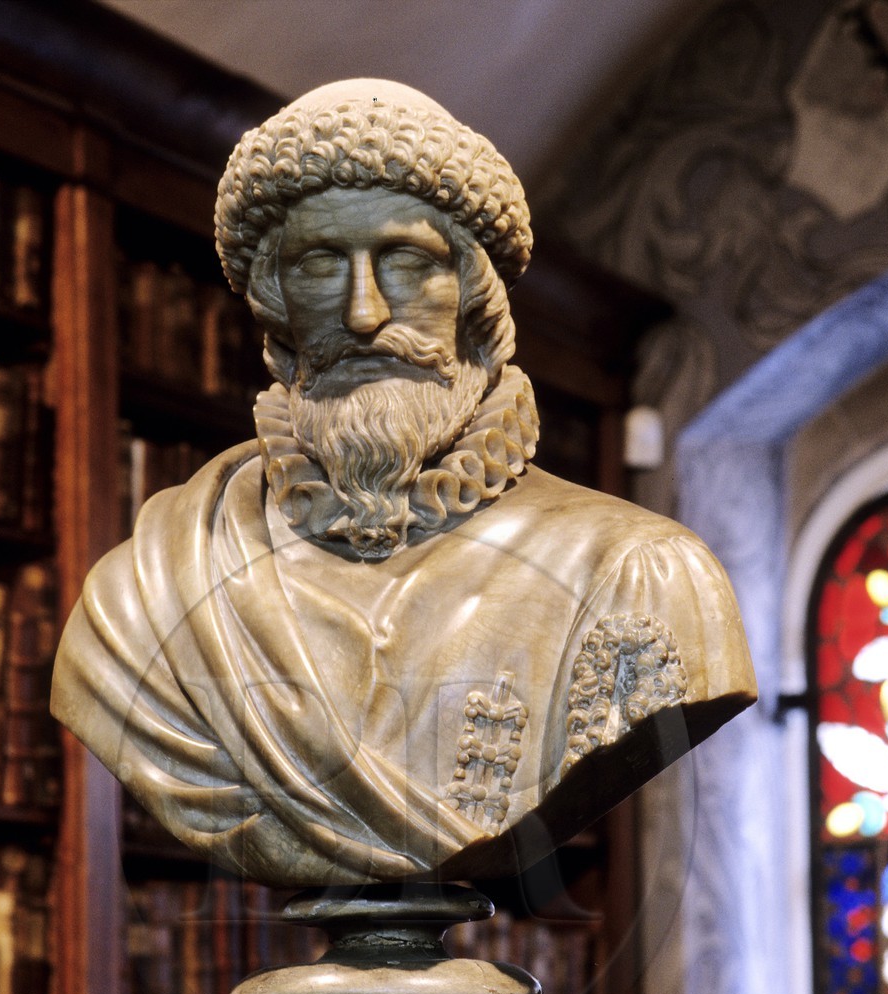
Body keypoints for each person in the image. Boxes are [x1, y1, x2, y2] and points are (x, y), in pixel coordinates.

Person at [51, 79, 756, 889]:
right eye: (319, 263)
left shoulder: (643, 572)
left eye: (407, 262)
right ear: (273, 305)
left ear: (475, 299)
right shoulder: (142, 598)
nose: (362, 312)